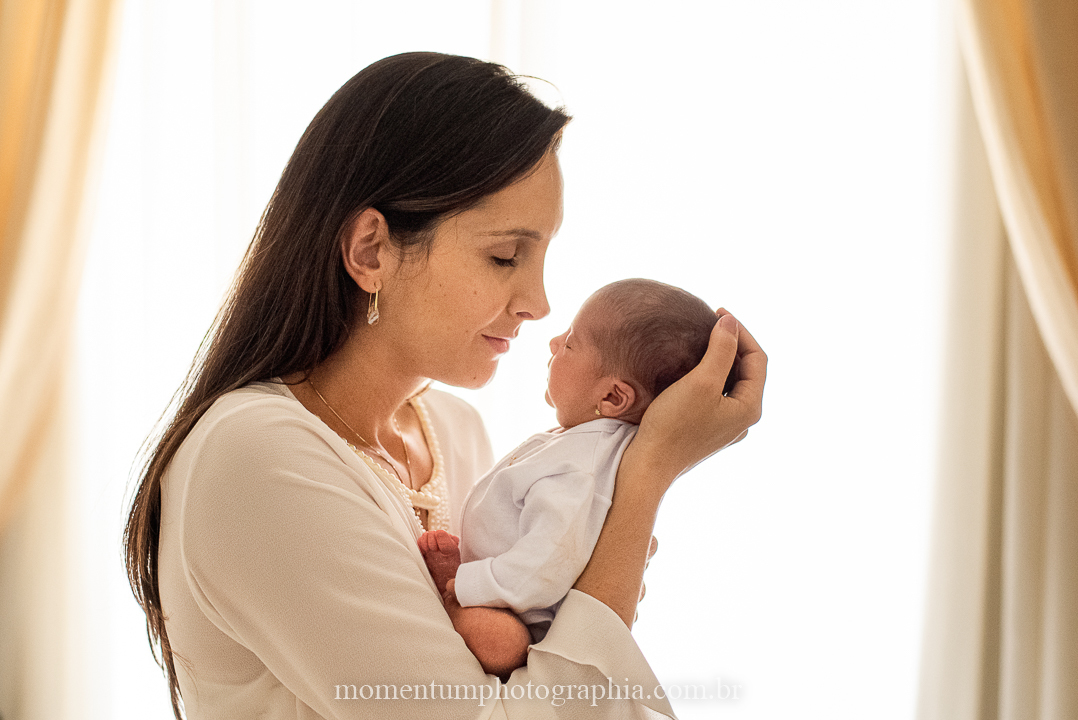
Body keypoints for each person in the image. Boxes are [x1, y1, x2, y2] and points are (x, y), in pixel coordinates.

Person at [123, 52, 766, 720]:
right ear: (371, 251)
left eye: (544, 256)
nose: (539, 302)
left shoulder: (455, 433)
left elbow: (537, 677)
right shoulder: (258, 454)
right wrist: (648, 468)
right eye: (503, 256)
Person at [418, 279, 722, 674]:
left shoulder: (582, 468)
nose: (553, 343)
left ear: (613, 398)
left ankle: (453, 600)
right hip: (513, 590)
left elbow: (546, 564)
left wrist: (465, 582)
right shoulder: (584, 443)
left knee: (498, 641)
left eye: (570, 343)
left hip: (529, 615)